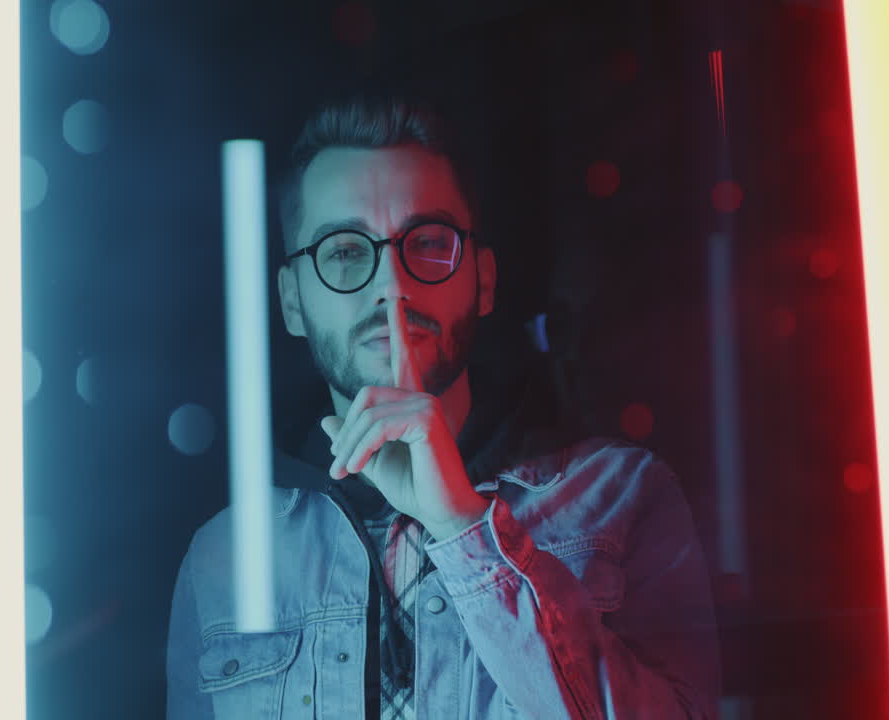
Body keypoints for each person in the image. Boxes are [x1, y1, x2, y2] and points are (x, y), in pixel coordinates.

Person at [166, 95, 721, 719]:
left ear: (483, 281)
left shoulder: (621, 497)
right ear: (293, 301)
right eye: (345, 251)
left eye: (428, 242)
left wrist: (462, 525)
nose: (392, 286)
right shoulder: (229, 558)